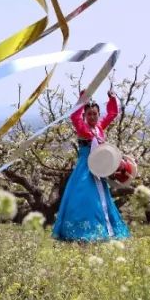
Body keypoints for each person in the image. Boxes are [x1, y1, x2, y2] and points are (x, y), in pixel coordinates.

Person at [52, 90, 131, 242]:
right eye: (89, 114)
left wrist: (112, 98)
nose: (93, 117)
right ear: (85, 115)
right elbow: (74, 116)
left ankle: (104, 229)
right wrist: (83, 98)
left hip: (98, 168)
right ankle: (80, 231)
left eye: (95, 114)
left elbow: (112, 114)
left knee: (101, 198)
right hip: (85, 168)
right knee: (84, 197)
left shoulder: (99, 127)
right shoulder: (82, 127)